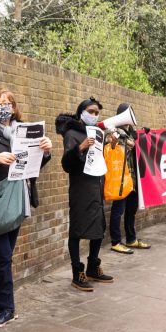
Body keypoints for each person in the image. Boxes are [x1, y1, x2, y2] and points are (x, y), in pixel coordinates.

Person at [0, 90, 52, 328]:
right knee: (3, 255)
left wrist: (46, 150)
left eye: (7, 103)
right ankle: (8, 308)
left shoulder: (26, 131)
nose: (2, 107)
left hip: (18, 198)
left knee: (4, 257)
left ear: (14, 108)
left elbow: (35, 165)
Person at [55, 97, 114, 292]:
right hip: (80, 188)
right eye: (91, 111)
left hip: (95, 186)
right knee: (78, 230)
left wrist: (110, 144)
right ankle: (76, 273)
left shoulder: (97, 132)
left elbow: (96, 159)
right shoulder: (72, 134)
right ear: (81, 112)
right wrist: (80, 148)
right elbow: (66, 164)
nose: (94, 115)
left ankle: (92, 267)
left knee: (98, 227)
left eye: (97, 112)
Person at [108, 103, 150, 254]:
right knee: (118, 210)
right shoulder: (114, 132)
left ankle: (131, 239)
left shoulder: (131, 132)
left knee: (131, 210)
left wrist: (144, 135)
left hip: (132, 179)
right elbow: (111, 150)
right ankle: (115, 241)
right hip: (121, 180)